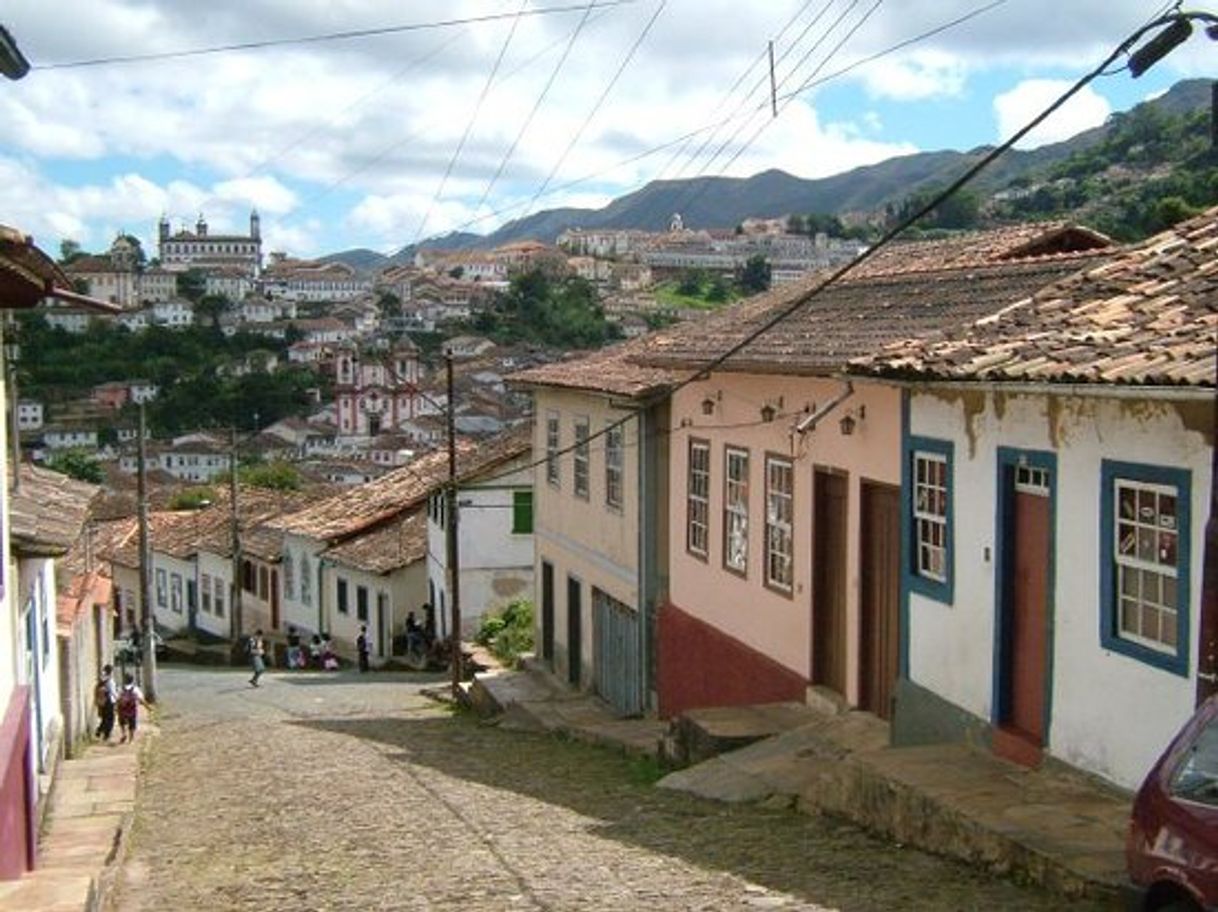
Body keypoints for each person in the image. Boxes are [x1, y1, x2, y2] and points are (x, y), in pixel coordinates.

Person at [116, 673, 149, 744]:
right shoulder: (135, 689)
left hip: (122, 709)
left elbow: (118, 699)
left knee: (122, 722)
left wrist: (116, 708)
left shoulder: (120, 688)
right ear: (132, 680)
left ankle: (124, 733)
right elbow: (141, 700)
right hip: (132, 710)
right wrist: (148, 708)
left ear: (125, 680)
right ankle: (131, 740)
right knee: (132, 724)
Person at [94, 664, 117, 742]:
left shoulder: (102, 679)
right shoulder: (110, 680)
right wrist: (117, 699)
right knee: (110, 718)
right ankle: (106, 734)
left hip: (102, 702)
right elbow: (112, 691)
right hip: (109, 701)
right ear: (110, 671)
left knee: (104, 718)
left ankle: (99, 731)